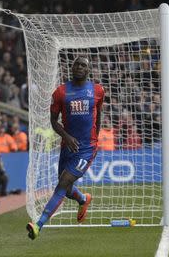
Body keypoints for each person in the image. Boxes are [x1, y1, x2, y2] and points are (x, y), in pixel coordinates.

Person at [26, 57, 105, 240]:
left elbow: (98, 115)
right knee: (67, 188)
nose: (79, 67)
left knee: (62, 184)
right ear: (71, 68)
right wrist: (67, 137)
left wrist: (95, 139)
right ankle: (83, 199)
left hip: (86, 149)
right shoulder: (61, 92)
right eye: (76, 64)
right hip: (67, 146)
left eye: (83, 65)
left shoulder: (98, 90)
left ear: (88, 70)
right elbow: (53, 121)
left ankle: (38, 225)